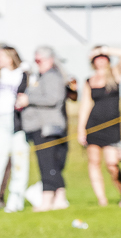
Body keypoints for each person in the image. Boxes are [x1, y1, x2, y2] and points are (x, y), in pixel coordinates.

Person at [18, 46, 69, 211]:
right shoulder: (42, 76)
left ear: (50, 59)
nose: (37, 63)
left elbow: (53, 98)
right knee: (52, 164)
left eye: (39, 60)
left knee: (47, 164)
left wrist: (28, 98)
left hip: (47, 127)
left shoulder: (51, 76)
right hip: (42, 126)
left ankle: (47, 200)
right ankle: (60, 199)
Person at [77, 45, 121, 206]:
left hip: (112, 127)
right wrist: (81, 129)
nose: (100, 60)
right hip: (93, 125)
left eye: (103, 57)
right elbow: (85, 105)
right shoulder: (89, 80)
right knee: (94, 162)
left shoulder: (115, 73)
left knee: (112, 164)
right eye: (97, 58)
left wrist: (104, 50)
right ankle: (102, 199)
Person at [0, 46, 29, 212]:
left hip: (17, 122)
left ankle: (15, 200)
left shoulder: (22, 73)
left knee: (19, 161)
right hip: (1, 120)